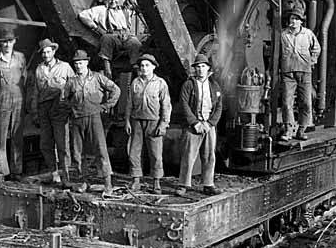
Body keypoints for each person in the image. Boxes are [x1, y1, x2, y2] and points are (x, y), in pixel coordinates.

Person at [62, 50, 120, 197]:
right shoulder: (71, 82)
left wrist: (105, 106)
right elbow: (62, 99)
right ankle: (84, 181)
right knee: (78, 152)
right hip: (77, 119)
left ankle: (107, 183)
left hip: (94, 118)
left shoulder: (97, 77)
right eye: (76, 63)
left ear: (87, 63)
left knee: (100, 149)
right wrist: (72, 108)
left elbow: (116, 90)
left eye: (81, 63)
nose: (78, 66)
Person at [176, 54, 223, 197]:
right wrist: (194, 122)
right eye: (197, 67)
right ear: (194, 69)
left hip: (208, 125)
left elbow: (219, 106)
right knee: (188, 155)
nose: (200, 69)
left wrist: (210, 124)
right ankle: (183, 184)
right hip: (193, 126)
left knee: (209, 155)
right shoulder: (189, 84)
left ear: (208, 68)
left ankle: (208, 184)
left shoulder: (214, 85)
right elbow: (183, 104)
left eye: (203, 66)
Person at [125, 54, 171, 195]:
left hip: (153, 122)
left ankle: (156, 182)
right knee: (134, 152)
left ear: (153, 67)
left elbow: (166, 105)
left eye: (147, 65)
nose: (144, 68)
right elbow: (129, 103)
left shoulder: (160, 83)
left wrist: (163, 124)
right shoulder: (135, 83)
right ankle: (136, 180)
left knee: (155, 153)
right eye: (142, 65)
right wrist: (127, 121)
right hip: (136, 121)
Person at [31, 38, 74, 185]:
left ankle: (66, 175)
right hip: (44, 108)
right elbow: (35, 92)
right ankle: (54, 173)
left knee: (62, 143)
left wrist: (70, 107)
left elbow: (74, 87)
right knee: (45, 143)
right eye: (43, 52)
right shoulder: (39, 69)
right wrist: (34, 112)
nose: (46, 55)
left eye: (48, 52)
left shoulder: (65, 67)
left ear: (54, 51)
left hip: (60, 108)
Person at [78, 0, 142, 78]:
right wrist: (96, 28)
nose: (113, 1)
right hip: (112, 36)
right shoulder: (101, 9)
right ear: (105, 0)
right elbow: (82, 15)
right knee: (106, 39)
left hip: (126, 36)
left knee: (135, 44)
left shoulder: (125, 9)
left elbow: (137, 7)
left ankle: (137, 70)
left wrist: (133, 2)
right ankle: (107, 70)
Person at [0, 30, 27, 182]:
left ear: (14, 42)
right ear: (0, 43)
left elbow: (25, 78)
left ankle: (17, 172)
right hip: (1, 101)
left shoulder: (20, 58)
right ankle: (1, 173)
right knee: (1, 138)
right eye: (4, 42)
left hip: (18, 100)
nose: (7, 44)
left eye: (10, 41)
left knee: (17, 137)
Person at [280, 6, 321, 142]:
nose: (292, 21)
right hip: (288, 73)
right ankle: (288, 130)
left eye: (296, 19)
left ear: (301, 21)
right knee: (287, 103)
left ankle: (301, 130)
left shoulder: (308, 34)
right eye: (291, 18)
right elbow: (277, 53)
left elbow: (317, 48)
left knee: (306, 103)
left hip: (304, 72)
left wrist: (312, 62)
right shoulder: (283, 34)